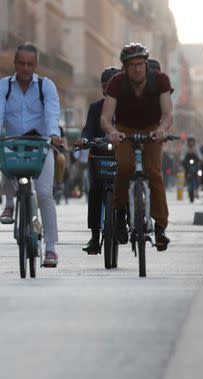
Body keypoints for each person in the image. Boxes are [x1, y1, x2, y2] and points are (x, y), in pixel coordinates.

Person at [0, 43, 65, 266]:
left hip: (40, 143)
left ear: (36, 65)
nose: (25, 68)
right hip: (13, 143)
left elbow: (52, 113)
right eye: (21, 63)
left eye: (30, 64)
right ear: (15, 63)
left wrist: (53, 135)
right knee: (1, 157)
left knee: (45, 194)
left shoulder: (45, 86)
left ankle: (50, 248)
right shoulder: (4, 87)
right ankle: (9, 202)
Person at [100, 43, 174, 251]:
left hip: (152, 129)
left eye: (140, 64)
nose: (137, 69)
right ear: (124, 67)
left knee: (154, 173)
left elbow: (168, 113)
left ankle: (160, 228)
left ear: (146, 64)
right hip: (124, 130)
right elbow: (105, 119)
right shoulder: (116, 83)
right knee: (124, 168)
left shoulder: (160, 80)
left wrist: (162, 130)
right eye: (132, 65)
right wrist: (112, 132)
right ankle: (120, 212)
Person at [76, 66, 121, 254]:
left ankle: (122, 224)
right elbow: (88, 129)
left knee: (124, 188)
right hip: (100, 156)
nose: (108, 89)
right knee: (94, 191)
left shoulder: (127, 108)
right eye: (105, 86)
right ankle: (95, 237)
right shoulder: (95, 108)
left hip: (121, 157)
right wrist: (84, 139)